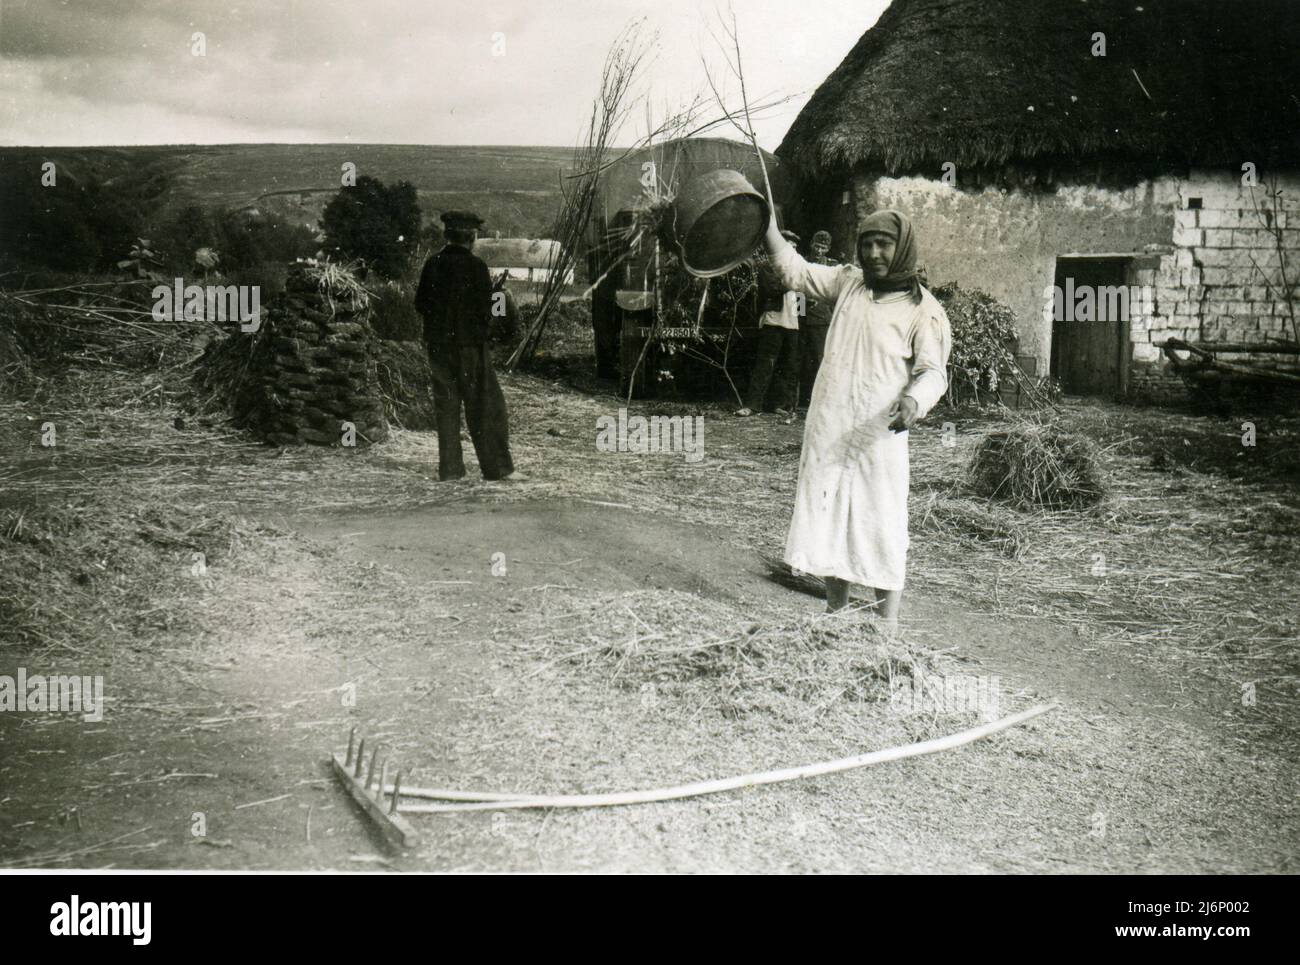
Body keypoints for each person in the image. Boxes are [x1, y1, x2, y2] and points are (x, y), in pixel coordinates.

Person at [764, 209, 952, 629]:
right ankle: (835, 611)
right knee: (831, 515)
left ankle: (887, 627)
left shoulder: (924, 311)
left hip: (878, 436)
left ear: (902, 248)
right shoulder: (849, 283)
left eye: (883, 244)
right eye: (867, 244)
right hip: (831, 426)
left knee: (881, 523)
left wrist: (914, 402)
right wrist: (769, 227)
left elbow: (933, 372)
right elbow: (795, 272)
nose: (873, 253)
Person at [414, 210, 524, 482]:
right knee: (484, 406)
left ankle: (451, 472)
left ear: (446, 234)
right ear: (472, 237)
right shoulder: (477, 267)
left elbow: (420, 304)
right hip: (470, 348)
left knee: (447, 409)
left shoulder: (432, 264)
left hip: (439, 348)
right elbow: (490, 311)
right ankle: (496, 469)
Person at [737, 229, 802, 424]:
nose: (792, 250)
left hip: (793, 322)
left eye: (795, 248)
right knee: (766, 363)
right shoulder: (768, 266)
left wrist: (803, 313)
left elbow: (802, 297)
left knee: (789, 364)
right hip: (774, 319)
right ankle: (753, 405)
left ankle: (781, 405)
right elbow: (772, 288)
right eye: (789, 246)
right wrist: (793, 283)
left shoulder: (797, 269)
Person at [798, 229, 837, 407]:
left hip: (822, 320)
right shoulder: (803, 263)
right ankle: (803, 400)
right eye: (817, 246)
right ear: (811, 244)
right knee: (802, 360)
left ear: (828, 249)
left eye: (823, 247)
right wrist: (801, 313)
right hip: (802, 318)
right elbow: (798, 288)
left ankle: (819, 401)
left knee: (819, 360)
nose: (819, 251)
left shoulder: (832, 266)